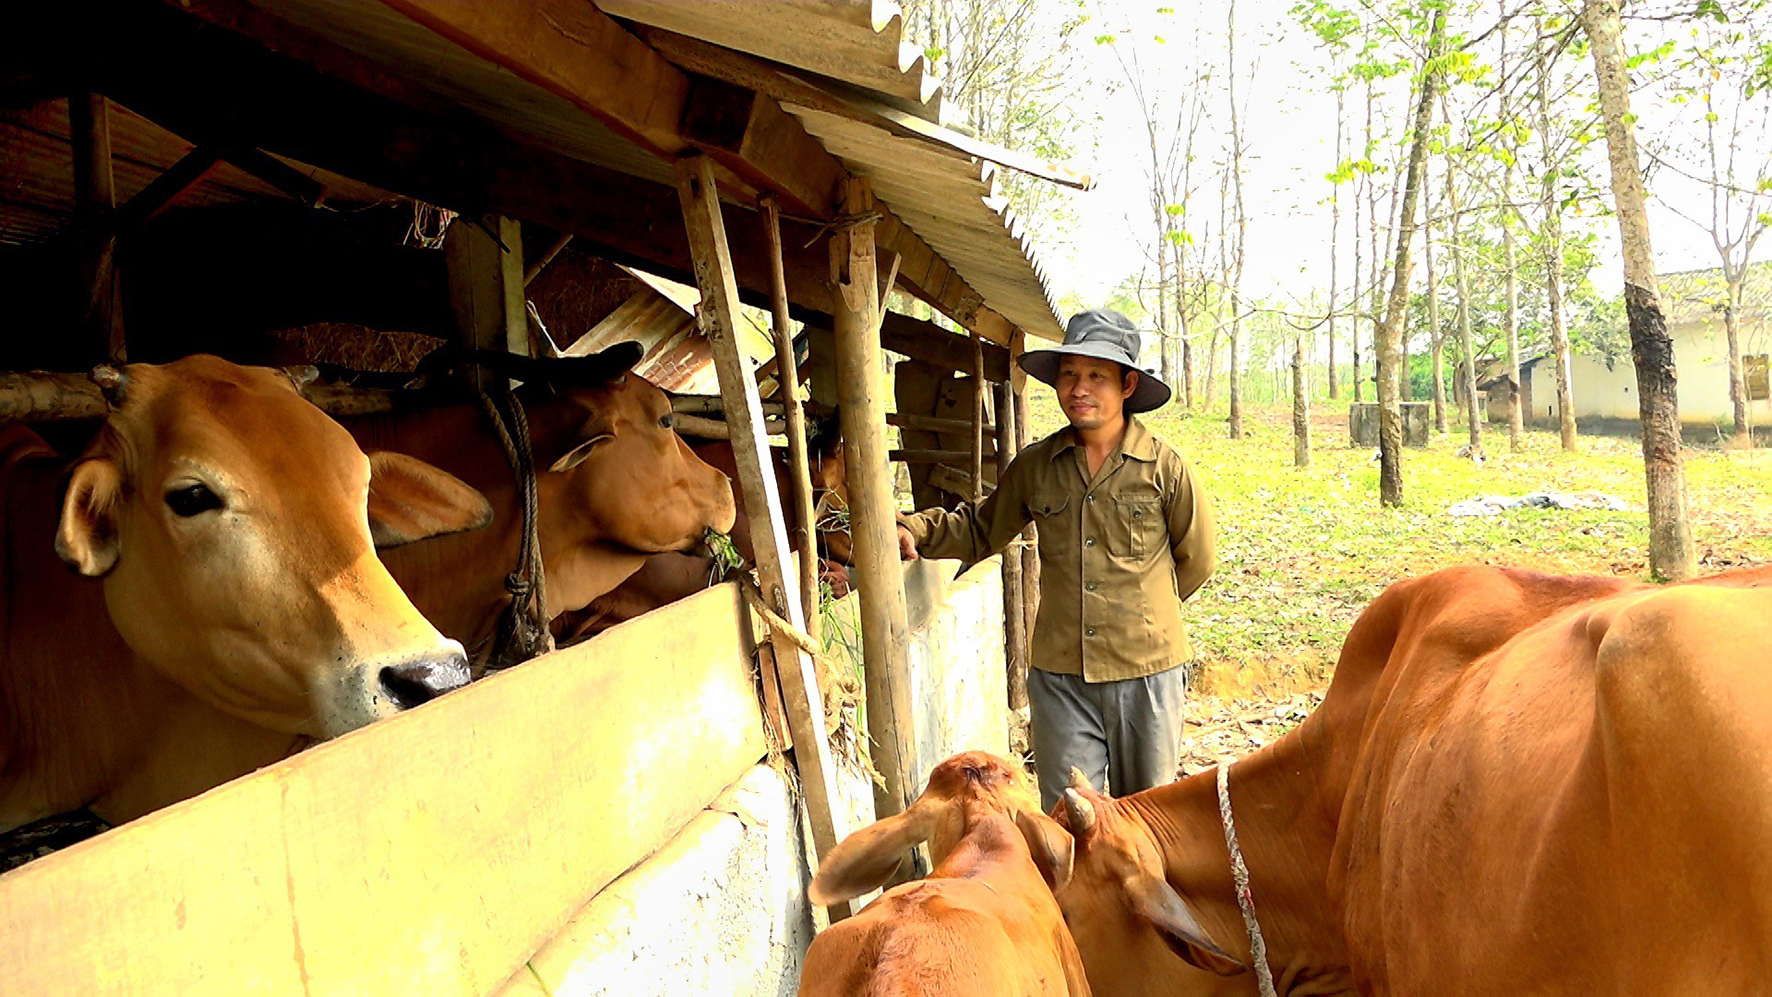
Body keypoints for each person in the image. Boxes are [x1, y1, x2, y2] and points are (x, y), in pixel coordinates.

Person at [896, 309, 1216, 809]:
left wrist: (1142, 615)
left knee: (1148, 819)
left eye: (1096, 376)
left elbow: (1196, 560)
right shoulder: (1037, 466)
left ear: (1128, 384)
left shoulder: (1164, 468)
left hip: (1146, 676)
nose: (1079, 388)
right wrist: (915, 529)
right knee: (1068, 820)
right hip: (1062, 681)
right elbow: (982, 527)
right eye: (1069, 374)